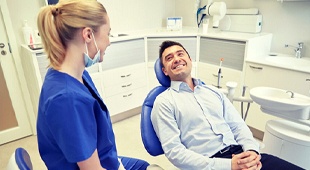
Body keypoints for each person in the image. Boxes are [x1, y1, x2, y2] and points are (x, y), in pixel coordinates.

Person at [151, 40, 304, 170]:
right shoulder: (164, 102)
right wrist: (229, 165)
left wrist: (251, 152)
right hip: (210, 163)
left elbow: (238, 125)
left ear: (190, 60)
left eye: (180, 54)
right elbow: (175, 152)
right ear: (164, 71)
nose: (177, 59)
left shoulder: (213, 92)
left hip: (242, 154)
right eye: (169, 58)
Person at [36, 0, 150, 169]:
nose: (109, 41)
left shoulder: (76, 75)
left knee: (146, 166)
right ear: (88, 35)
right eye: (108, 33)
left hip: (104, 158)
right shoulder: (67, 99)